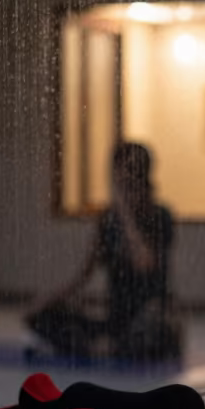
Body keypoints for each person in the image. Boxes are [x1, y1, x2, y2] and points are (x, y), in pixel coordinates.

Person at [26, 142, 179, 360]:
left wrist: (125, 212)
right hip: (117, 319)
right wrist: (49, 300)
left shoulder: (160, 216)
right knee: (43, 317)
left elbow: (145, 263)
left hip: (148, 318)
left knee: (154, 329)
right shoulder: (108, 221)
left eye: (128, 174)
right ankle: (107, 347)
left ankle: (106, 348)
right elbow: (85, 273)